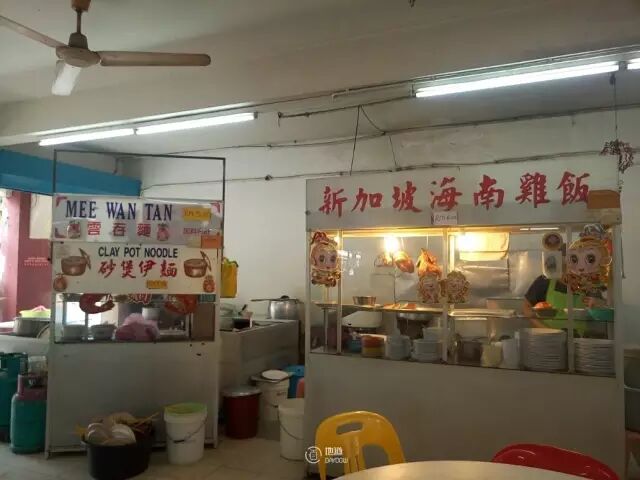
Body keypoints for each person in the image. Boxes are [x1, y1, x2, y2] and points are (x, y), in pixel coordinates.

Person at [523, 275, 605, 334]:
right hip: (550, 341)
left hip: (580, 343)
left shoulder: (590, 282)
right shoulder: (545, 280)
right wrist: (548, 331)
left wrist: (596, 303)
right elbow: (526, 308)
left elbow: (603, 306)